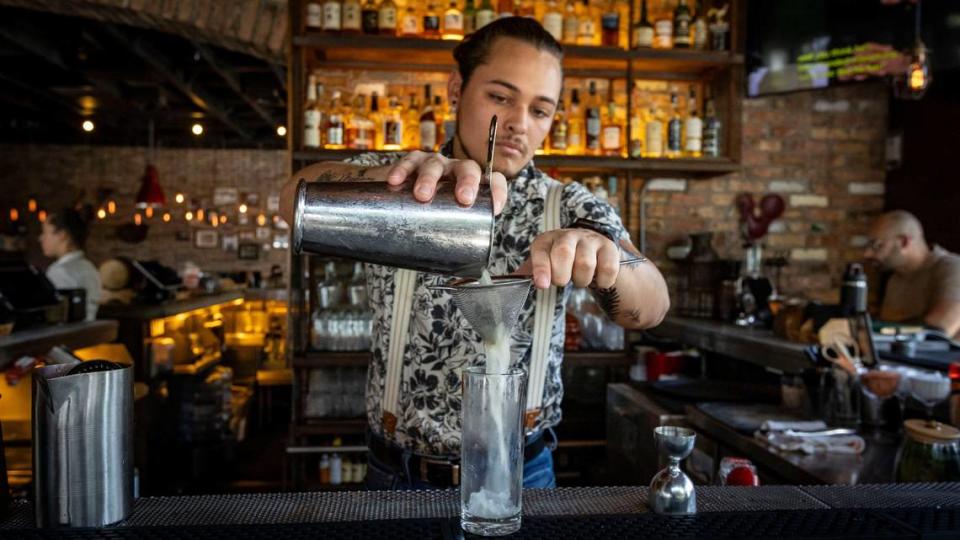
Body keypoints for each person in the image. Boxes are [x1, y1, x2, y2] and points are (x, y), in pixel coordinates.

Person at [281, 17, 670, 490]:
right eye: (501, 97)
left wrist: (606, 259)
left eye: (540, 111)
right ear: (456, 88)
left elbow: (652, 305)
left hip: (521, 472)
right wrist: (391, 180)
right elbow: (293, 198)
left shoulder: (569, 206)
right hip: (397, 471)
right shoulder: (402, 182)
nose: (518, 124)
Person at [863, 210, 960, 338]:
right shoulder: (895, 279)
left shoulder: (952, 268)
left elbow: (939, 331)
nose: (867, 254)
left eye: (877, 246)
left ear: (904, 242)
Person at [39, 208, 101, 321]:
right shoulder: (89, 267)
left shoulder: (60, 271)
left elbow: (57, 318)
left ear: (62, 235)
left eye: (44, 232)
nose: (40, 238)